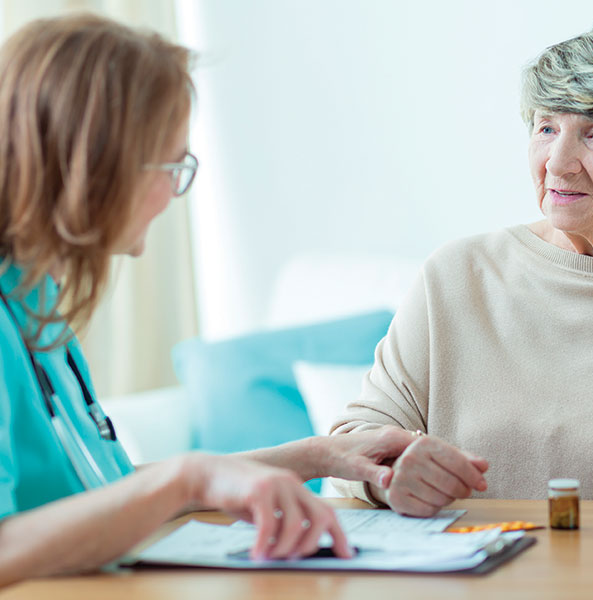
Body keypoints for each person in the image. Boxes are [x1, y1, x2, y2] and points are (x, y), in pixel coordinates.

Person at [0, 14, 417, 587]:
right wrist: (189, 478)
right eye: (170, 167)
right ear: (96, 163)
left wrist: (324, 456)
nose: (174, 193)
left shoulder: (34, 295)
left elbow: (106, 493)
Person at [331, 18, 593, 529]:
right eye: (547, 127)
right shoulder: (458, 275)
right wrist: (389, 471)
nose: (558, 163)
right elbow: (356, 439)